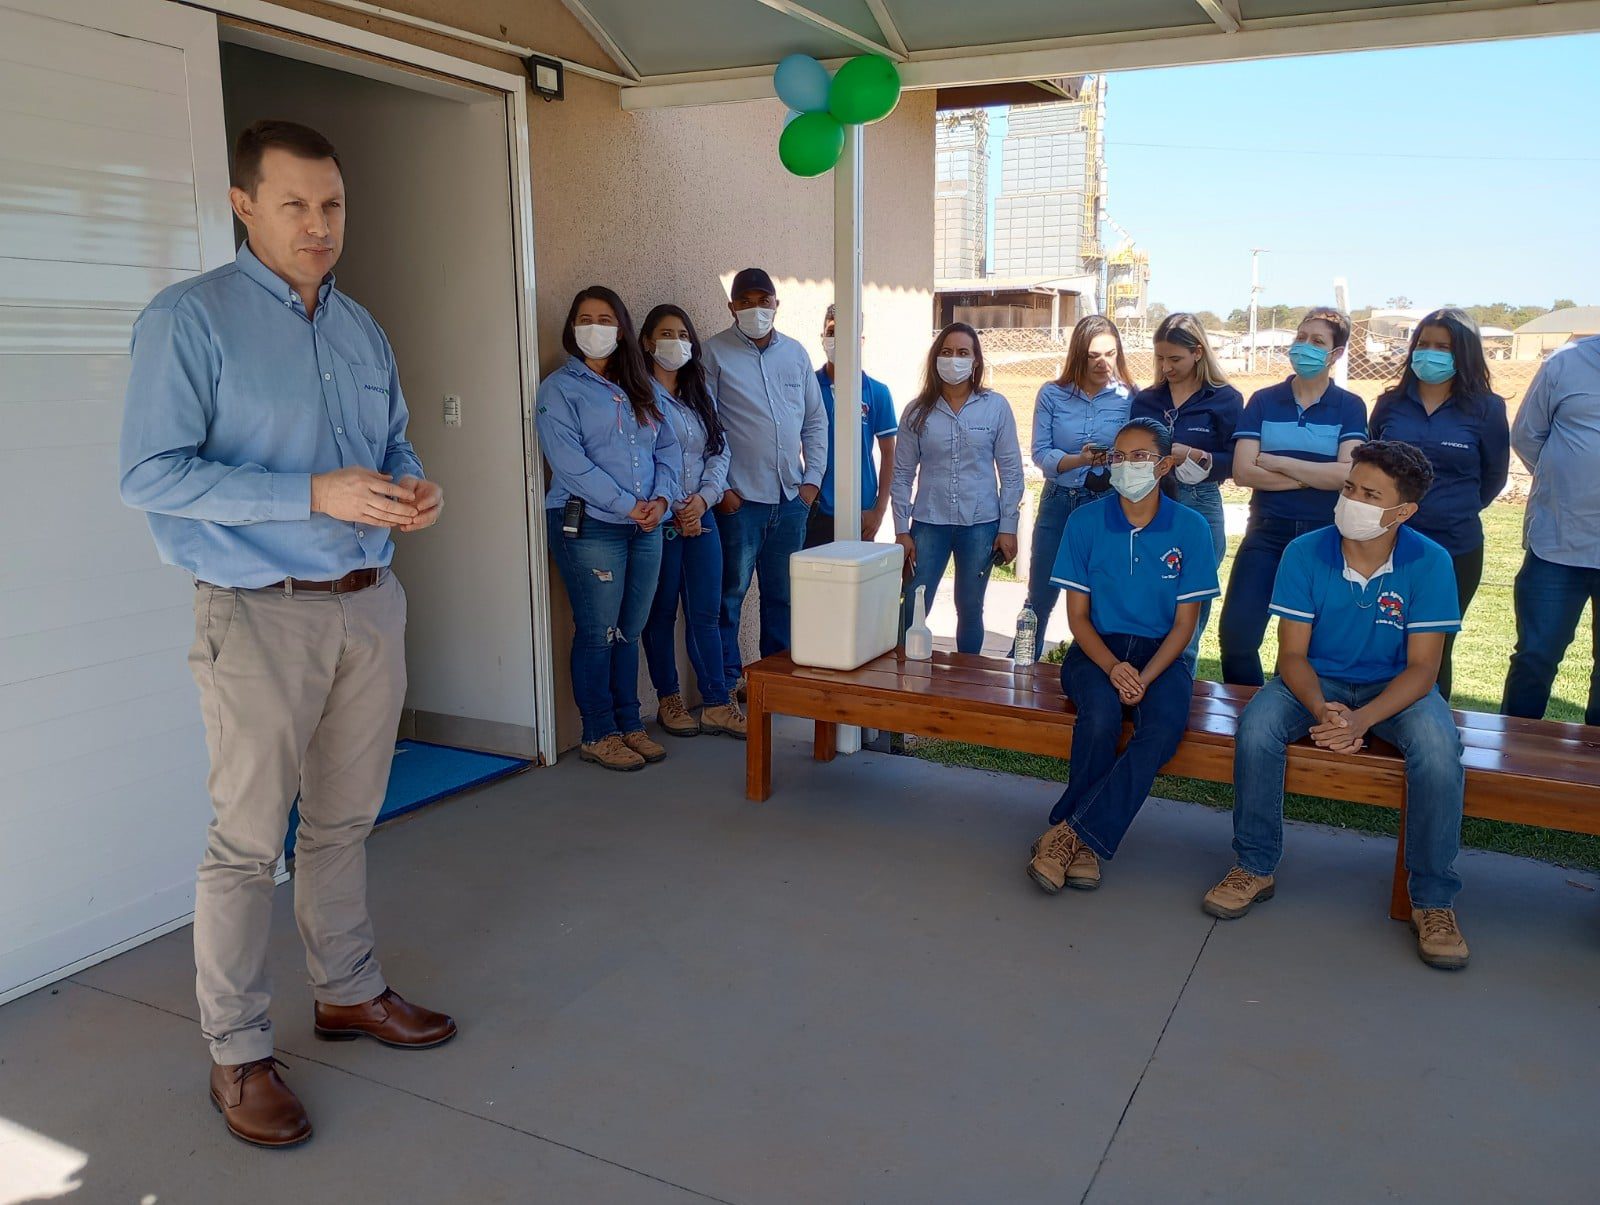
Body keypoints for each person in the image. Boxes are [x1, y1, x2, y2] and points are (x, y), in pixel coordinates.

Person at [119, 120, 453, 1149]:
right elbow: (149, 472)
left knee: (348, 819)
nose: (319, 225)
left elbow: (390, 439)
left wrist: (408, 487)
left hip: (369, 600)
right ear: (245, 204)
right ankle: (237, 1050)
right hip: (257, 612)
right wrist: (309, 490)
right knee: (246, 844)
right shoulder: (190, 319)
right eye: (296, 204)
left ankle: (348, 989)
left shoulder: (358, 327)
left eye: (333, 206)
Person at [1204, 441, 1470, 971]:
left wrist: (1363, 720)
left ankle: (1433, 899)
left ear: (1402, 512)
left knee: (1440, 752)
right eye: (1350, 487)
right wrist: (1326, 710)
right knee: (1256, 727)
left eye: (1371, 495)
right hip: (1314, 681)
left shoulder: (1430, 561)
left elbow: (1423, 669)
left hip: (1393, 689)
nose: (1352, 500)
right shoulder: (1306, 552)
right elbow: (1292, 654)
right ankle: (1254, 866)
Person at [1026, 419, 1220, 893]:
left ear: (1164, 464)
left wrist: (1145, 676)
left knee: (1162, 729)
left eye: (1139, 456)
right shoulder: (1085, 521)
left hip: (1162, 655)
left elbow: (1184, 626)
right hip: (1097, 649)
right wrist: (1114, 668)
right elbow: (1077, 621)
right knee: (1101, 716)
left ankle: (1070, 833)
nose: (1126, 465)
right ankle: (1089, 843)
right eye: (1118, 456)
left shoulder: (1191, 527)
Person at [537, 287, 679, 772]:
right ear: (572, 327)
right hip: (591, 525)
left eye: (605, 318)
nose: (595, 327)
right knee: (598, 631)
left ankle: (628, 722)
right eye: (585, 318)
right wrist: (629, 505)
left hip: (646, 525)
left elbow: (668, 449)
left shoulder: (641, 386)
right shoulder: (559, 389)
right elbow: (569, 464)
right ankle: (598, 731)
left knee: (629, 629)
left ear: (621, 328)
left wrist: (660, 500)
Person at [1219, 308, 1368, 686]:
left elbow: (1347, 474)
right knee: (1237, 637)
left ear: (1335, 355)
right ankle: (1248, 711)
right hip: (1267, 534)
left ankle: (1292, 711)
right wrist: (1311, 478)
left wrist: (1278, 461)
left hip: (1324, 537)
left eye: (1317, 341)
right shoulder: (1264, 401)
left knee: (1310, 648)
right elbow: (1243, 472)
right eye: (1301, 338)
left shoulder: (1350, 406)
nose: (1304, 346)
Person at [1369, 308, 1509, 700]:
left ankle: (1430, 731)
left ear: (1462, 354)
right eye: (1423, 344)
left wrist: (1451, 509)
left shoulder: (1487, 409)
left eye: (1442, 347)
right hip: (1387, 545)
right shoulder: (1390, 404)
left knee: (1434, 647)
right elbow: (1369, 470)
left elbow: (1493, 478)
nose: (1430, 353)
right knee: (1382, 638)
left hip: (1455, 548)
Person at [702, 268, 827, 698]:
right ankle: (730, 682)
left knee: (783, 598)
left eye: (764, 300)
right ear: (732, 307)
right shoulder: (714, 353)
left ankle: (776, 684)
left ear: (777, 304)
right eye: (747, 301)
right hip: (740, 502)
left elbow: (814, 421)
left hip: (789, 500)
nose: (757, 308)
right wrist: (723, 492)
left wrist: (810, 484)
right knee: (729, 599)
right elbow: (705, 424)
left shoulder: (795, 354)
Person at [636, 304, 745, 740]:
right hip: (661, 519)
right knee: (660, 614)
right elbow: (641, 458)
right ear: (647, 342)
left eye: (683, 334)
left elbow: (719, 451)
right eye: (665, 333)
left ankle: (717, 702)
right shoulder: (635, 393)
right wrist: (674, 505)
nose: (675, 342)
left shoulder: (699, 392)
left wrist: (702, 500)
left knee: (707, 611)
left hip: (701, 518)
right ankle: (669, 700)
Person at [891, 323, 1024, 653]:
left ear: (976, 361)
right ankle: (900, 677)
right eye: (946, 352)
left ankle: (969, 683)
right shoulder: (916, 412)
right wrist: (901, 530)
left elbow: (1011, 472)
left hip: (980, 526)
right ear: (936, 359)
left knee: (970, 608)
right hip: (928, 524)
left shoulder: (996, 407)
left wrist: (1008, 527)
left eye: (963, 353)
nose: (954, 359)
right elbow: (902, 474)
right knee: (913, 604)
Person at [1129, 313, 1243, 665]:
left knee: (1193, 599)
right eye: (1160, 358)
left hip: (1202, 502)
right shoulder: (1147, 400)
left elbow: (1237, 462)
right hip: (1152, 501)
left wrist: (1195, 455)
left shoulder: (1225, 399)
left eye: (1174, 359)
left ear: (1198, 353)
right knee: (1152, 593)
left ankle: (1183, 674)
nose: (1165, 367)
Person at [1502, 332, 1600, 727]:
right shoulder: (1567, 362)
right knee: (1536, 656)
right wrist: (1566, 485)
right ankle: (1512, 755)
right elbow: (1527, 436)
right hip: (1556, 545)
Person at [1024, 315, 1132, 636]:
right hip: (1059, 500)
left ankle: (1094, 668)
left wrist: (1112, 460)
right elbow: (1041, 453)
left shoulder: (1129, 397)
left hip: (1106, 503)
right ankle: (1023, 663)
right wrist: (1078, 460)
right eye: (1093, 355)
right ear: (1078, 355)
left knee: (1101, 596)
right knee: (1040, 595)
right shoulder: (1052, 394)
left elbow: (1137, 453)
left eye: (1110, 354)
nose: (1103, 363)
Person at [804, 304, 898, 547]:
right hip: (816, 508)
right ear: (823, 338)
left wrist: (879, 510)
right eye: (833, 332)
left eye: (849, 332)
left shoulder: (877, 392)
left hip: (861, 512)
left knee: (855, 583)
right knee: (817, 582)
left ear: (861, 340)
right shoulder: (809, 387)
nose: (839, 339)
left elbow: (889, 455)